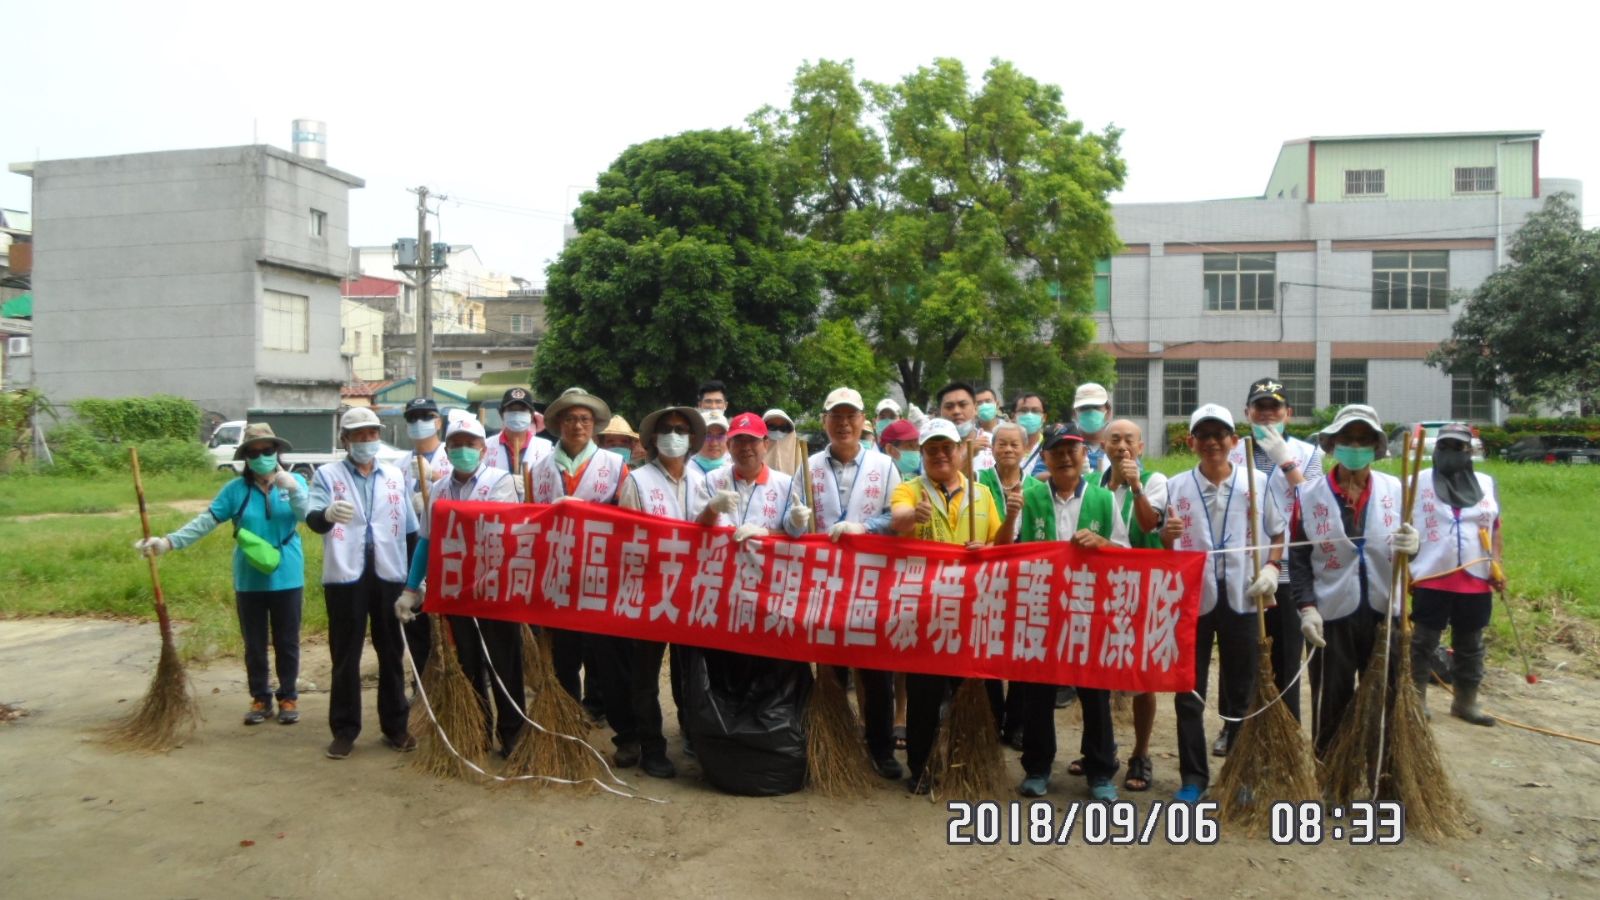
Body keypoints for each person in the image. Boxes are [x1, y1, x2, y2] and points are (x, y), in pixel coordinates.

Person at [135, 423, 309, 726]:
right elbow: (206, 521)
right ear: (245, 458)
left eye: (267, 451)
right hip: (249, 577)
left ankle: (288, 696)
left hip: (288, 574)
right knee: (254, 642)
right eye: (254, 453)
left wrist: (292, 489)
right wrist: (167, 543)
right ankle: (260, 698)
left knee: (287, 640)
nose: (261, 457)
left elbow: (307, 515)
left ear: (276, 452)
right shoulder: (235, 491)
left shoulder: (293, 483)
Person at [890, 418, 1019, 792]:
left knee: (972, 689)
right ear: (923, 454)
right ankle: (920, 768)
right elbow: (896, 520)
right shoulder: (910, 490)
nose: (940, 454)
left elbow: (1001, 544)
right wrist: (912, 517)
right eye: (932, 448)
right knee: (924, 694)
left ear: (961, 452)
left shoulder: (981, 493)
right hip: (926, 610)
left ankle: (967, 763)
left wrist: (1007, 522)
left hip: (972, 610)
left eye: (947, 447)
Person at [1163, 403, 1284, 800]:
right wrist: (1167, 534)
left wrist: (1270, 569)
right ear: (1192, 441)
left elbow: (1279, 534)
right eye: (1205, 435)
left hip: (1244, 597)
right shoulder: (1177, 485)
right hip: (1194, 600)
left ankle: (1239, 775)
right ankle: (1193, 778)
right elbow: (1167, 543)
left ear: (1234, 441)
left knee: (1243, 688)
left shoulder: (1258, 482)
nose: (1213, 443)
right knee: (1189, 691)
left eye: (1221, 435)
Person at [1290, 403, 1417, 754]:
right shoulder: (1309, 495)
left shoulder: (1397, 489)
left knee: (1387, 698)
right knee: (1332, 698)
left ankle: (1385, 779)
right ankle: (1332, 777)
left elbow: (1410, 556)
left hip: (1384, 609)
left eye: (1364, 440)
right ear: (1333, 445)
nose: (1356, 447)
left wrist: (1414, 545)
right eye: (1348, 438)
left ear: (1376, 447)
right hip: (1332, 612)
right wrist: (1306, 607)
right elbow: (1298, 557)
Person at [394, 416, 524, 755]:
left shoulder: (501, 481)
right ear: (447, 450)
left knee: (503, 664)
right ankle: (477, 729)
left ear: (483, 448)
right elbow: (426, 540)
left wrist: (453, 518)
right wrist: (412, 588)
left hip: (494, 590)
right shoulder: (439, 488)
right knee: (466, 664)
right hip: (455, 592)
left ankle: (513, 734)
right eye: (456, 445)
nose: (463, 450)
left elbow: (495, 528)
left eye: (470, 444)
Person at [307, 407, 420, 759]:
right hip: (345, 575)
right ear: (345, 440)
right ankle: (344, 729)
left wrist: (416, 582)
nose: (367, 441)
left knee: (391, 652)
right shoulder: (327, 475)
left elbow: (411, 528)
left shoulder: (394, 476)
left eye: (372, 434)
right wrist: (326, 516)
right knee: (346, 653)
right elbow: (314, 519)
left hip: (389, 572)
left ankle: (396, 726)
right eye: (359, 435)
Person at [1014, 422, 1118, 800]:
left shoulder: (1104, 500)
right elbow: (1012, 550)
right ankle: (1038, 767)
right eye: (1056, 450)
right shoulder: (1031, 497)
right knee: (1038, 692)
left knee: (1094, 691)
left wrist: (1103, 542)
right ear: (1044, 457)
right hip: (1042, 607)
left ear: (1085, 455)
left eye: (1072, 449)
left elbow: (1125, 554)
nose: (1065, 457)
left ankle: (1101, 770)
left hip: (1091, 609)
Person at [805, 388, 903, 779]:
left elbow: (897, 517)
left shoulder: (884, 466)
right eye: (835, 416)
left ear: (864, 421)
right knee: (829, 669)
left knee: (874, 669)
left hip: (870, 582)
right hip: (824, 581)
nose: (843, 424)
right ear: (824, 421)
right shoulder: (808, 465)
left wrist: (864, 526)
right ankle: (834, 742)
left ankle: (880, 749)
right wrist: (797, 520)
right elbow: (794, 519)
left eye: (851, 416)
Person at [613, 406, 712, 778]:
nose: (675, 435)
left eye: (682, 429)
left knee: (690, 674)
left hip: (691, 593)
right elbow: (629, 542)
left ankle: (693, 737)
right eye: (668, 429)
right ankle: (652, 746)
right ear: (653, 439)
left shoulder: (701, 481)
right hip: (650, 593)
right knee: (645, 677)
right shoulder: (637, 482)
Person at [1225, 377, 1322, 734]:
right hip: (1244, 570)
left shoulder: (1309, 454)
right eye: (1259, 408)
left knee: (1285, 656)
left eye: (1274, 409)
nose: (1267, 416)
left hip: (1287, 574)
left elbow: (1315, 504)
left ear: (1288, 414)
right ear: (1247, 412)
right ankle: (1234, 728)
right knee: (1242, 658)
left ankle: (1286, 729)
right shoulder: (1233, 450)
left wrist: (1285, 462)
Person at [528, 387, 624, 722]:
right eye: (570, 419)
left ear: (595, 425)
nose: (578, 426)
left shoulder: (614, 465)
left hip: (599, 570)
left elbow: (625, 518)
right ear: (557, 424)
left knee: (600, 649)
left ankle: (598, 707)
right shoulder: (538, 469)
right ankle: (567, 708)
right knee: (562, 649)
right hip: (556, 572)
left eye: (584, 419)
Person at [1407, 422, 1501, 726]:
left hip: (1475, 575)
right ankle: (1416, 698)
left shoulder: (1486, 483)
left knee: (1471, 643)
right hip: (1431, 572)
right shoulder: (1414, 482)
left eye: (1459, 448)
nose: (1452, 453)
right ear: (1436, 450)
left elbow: (1495, 528)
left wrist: (1497, 564)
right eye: (1445, 447)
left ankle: (1465, 701)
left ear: (1469, 451)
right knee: (1423, 640)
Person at [1098, 418, 1169, 790]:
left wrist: (1135, 485)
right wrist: (1111, 486)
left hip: (1141, 590)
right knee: (1098, 675)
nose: (1122, 445)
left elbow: (1148, 523)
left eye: (1129, 440)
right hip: (1098, 591)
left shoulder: (1156, 481)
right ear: (1103, 446)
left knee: (1142, 677)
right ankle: (1100, 750)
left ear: (1140, 448)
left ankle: (1140, 754)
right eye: (1115, 439)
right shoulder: (1093, 484)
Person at [978, 420, 1050, 747]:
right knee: (990, 647)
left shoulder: (1037, 488)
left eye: (1014, 444)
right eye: (1001, 444)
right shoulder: (978, 484)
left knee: (1023, 648)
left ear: (1025, 449)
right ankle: (991, 716)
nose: (1007, 449)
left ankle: (1017, 723)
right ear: (992, 448)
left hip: (1027, 581)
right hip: (988, 581)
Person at [400, 397, 449, 678]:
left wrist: (435, 476)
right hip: (413, 548)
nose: (419, 424)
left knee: (448, 626)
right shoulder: (398, 464)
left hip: (447, 549)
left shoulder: (450, 456)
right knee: (417, 624)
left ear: (438, 422)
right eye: (413, 418)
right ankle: (423, 684)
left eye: (426, 417)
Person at [483, 387, 552, 493]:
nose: (517, 414)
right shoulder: (486, 446)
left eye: (522, 410)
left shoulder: (546, 447)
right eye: (512, 410)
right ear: (502, 414)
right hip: (498, 506)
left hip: (531, 507)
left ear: (532, 415)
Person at [935, 381, 995, 470]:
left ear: (975, 409)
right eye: (949, 407)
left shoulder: (994, 443)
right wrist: (968, 455)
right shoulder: (932, 448)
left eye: (962, 405)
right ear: (940, 412)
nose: (956, 411)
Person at [1071, 383, 1114, 477]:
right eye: (1084, 408)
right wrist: (1069, 471)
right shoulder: (1064, 443)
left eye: (1096, 407)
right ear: (1074, 413)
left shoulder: (1119, 445)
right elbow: (1037, 476)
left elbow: (1138, 477)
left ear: (1108, 411)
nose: (1090, 412)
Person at [1011, 392, 1049, 478]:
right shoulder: (1004, 447)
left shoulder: (1050, 447)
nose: (1029, 415)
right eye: (1024, 410)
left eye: (1035, 411)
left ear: (1044, 418)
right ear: (1013, 416)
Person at [764, 408, 803, 476]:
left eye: (783, 428)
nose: (778, 431)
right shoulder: (751, 455)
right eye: (772, 427)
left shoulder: (799, 456)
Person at [691, 410, 730, 475]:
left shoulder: (735, 471)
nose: (714, 443)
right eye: (707, 436)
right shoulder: (684, 471)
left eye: (720, 436)